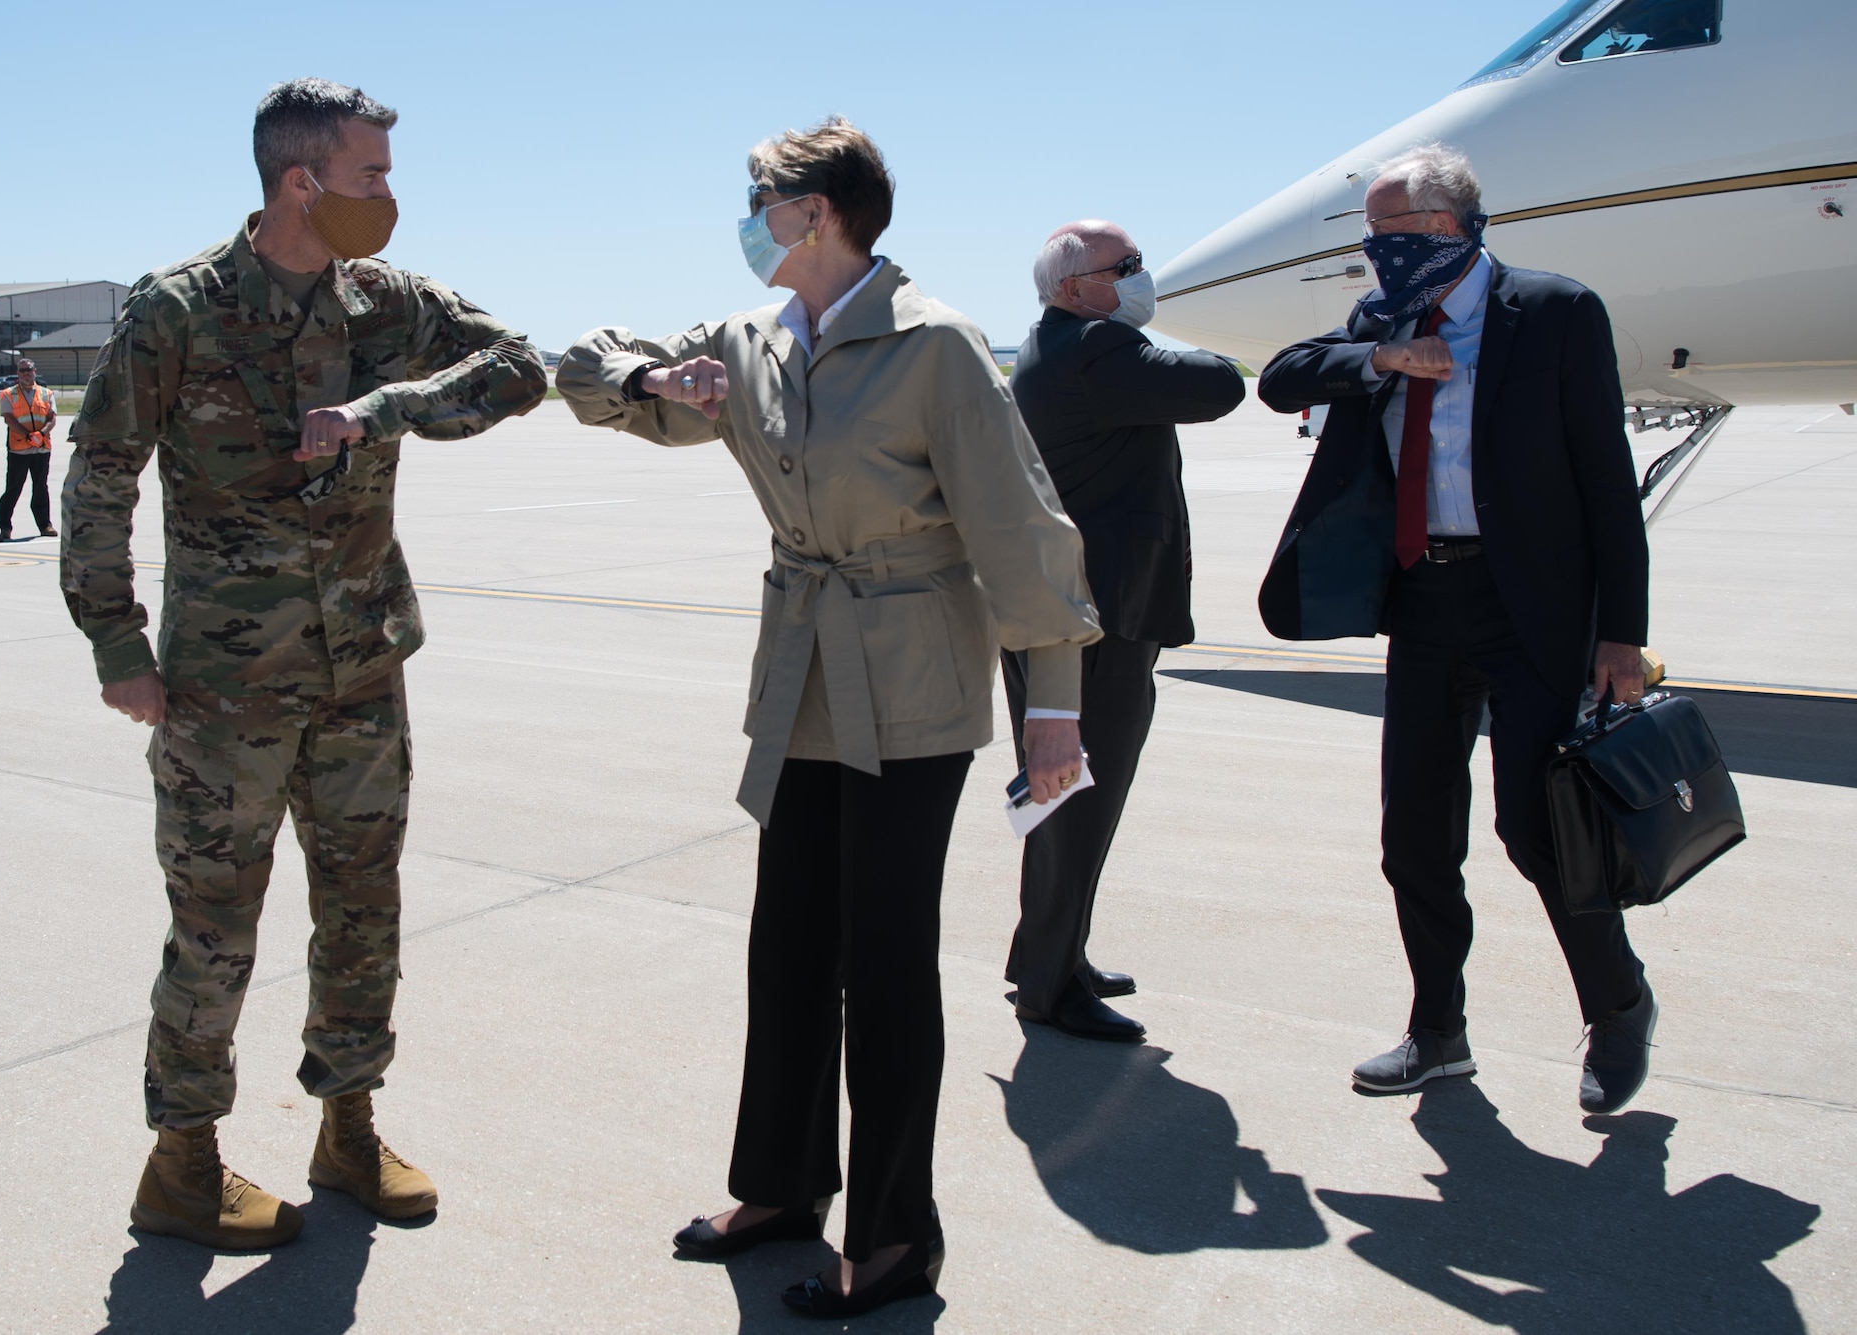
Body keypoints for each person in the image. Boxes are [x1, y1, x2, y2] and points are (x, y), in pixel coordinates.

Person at [557, 117, 1100, 1319]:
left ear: (817, 211)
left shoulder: (937, 345)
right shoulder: (746, 338)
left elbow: (1023, 530)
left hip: (910, 680)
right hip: (798, 670)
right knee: (788, 940)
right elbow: (582, 372)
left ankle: (896, 1236)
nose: (746, 217)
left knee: (884, 961)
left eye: (761, 198)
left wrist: (1051, 713)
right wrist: (655, 379)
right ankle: (782, 1187)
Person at [61, 76, 546, 1252]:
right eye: (371, 173)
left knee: (362, 911)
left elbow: (519, 367)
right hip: (225, 690)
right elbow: (101, 478)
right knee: (216, 929)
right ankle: (182, 1164)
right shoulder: (179, 309)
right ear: (301, 180)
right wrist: (118, 642)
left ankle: (347, 1127)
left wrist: (390, 405)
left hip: (363, 671)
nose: (388, 194)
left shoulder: (388, 300)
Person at [1257, 144, 1657, 1115]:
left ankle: (1616, 1006)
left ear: (1441, 228)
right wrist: (1380, 357)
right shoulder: (1382, 318)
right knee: (1412, 841)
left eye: (1382, 233)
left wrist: (1619, 636)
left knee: (1536, 828)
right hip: (1423, 602)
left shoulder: (1553, 312)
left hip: (1530, 609)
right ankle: (1437, 1033)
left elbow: (1607, 483)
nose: (1370, 253)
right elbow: (1281, 376)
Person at [1004, 221, 1244, 1042]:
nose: (1143, 277)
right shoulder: (1096, 352)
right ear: (1074, 288)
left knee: (1060, 797)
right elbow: (1220, 385)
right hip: (1094, 623)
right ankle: (1049, 983)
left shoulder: (1055, 344)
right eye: (1126, 267)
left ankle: (1049, 953)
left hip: (1073, 613)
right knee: (1075, 797)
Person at [0, 358, 58, 539]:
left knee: (40, 488)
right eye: (22, 370)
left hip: (42, 448)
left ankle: (45, 525)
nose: (26, 373)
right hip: (19, 449)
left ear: (35, 371)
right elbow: (9, 418)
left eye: (29, 370)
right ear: (18, 374)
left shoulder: (46, 393)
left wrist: (42, 433)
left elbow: (52, 417)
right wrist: (28, 435)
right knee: (13, 488)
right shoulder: (8, 394)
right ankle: (5, 527)